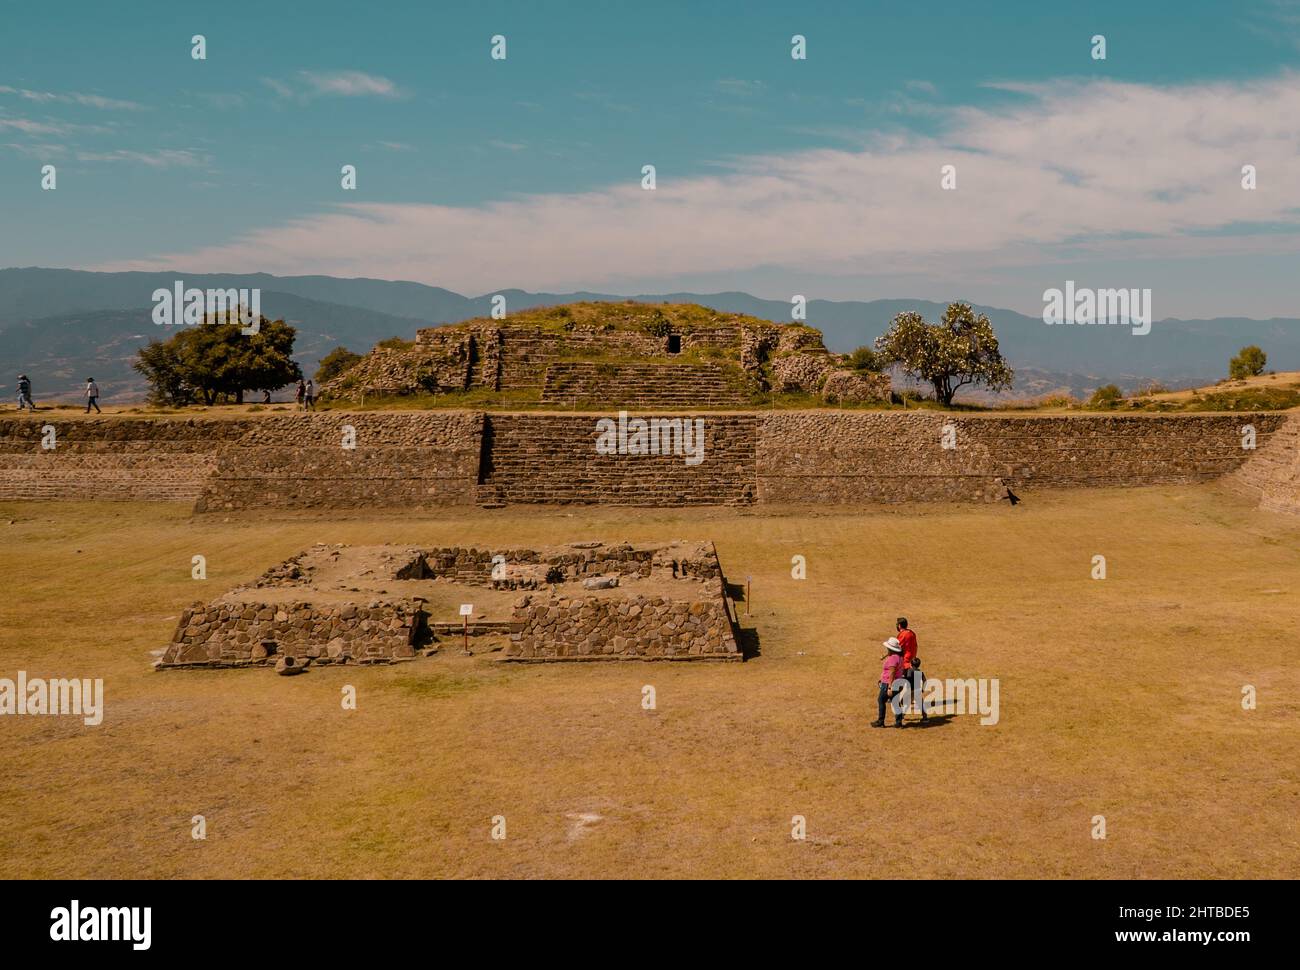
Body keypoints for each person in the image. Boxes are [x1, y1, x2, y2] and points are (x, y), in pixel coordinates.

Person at [896, 617, 926, 723]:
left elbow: (897, 647)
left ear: (899, 626)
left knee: (902, 684)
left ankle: (900, 709)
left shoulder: (903, 635)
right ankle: (924, 715)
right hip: (912, 659)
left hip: (905, 662)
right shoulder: (912, 633)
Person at [872, 637, 906, 728]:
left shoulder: (893, 659)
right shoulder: (899, 657)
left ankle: (881, 721)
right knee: (895, 702)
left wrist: (890, 687)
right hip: (897, 682)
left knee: (881, 700)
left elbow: (892, 672)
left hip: (889, 683)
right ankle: (899, 722)